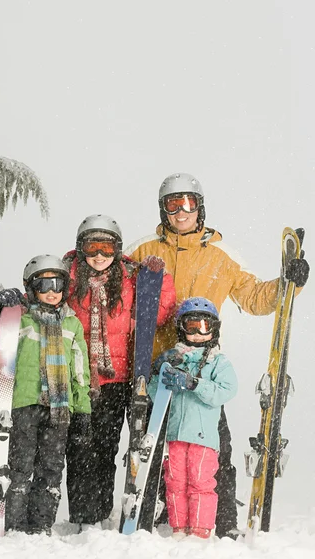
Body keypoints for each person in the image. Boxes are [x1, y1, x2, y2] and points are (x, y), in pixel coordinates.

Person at [125, 172, 310, 539]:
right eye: (173, 204)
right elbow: (114, 291)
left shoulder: (220, 257)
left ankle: (222, 522)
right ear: (162, 209)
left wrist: (289, 282)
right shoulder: (144, 250)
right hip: (157, 373)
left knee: (214, 451)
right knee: (150, 452)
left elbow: (254, 296)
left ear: (201, 208)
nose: (181, 211)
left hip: (203, 373)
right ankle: (153, 518)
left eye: (189, 203)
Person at [63, 214, 176, 530]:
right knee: (84, 448)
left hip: (121, 379)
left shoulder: (129, 277)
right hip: (84, 380)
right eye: (92, 246)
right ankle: (88, 517)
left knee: (118, 447)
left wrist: (159, 278)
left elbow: (159, 311)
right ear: (80, 248)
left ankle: (121, 509)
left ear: (118, 248)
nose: (99, 255)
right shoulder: (69, 278)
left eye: (107, 247)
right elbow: (44, 296)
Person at [0, 254, 91, 535]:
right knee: (20, 467)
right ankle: (14, 523)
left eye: (58, 284)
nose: (52, 291)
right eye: (44, 284)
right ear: (31, 288)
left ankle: (41, 525)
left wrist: (83, 410)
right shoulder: (20, 319)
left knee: (51, 470)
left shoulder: (73, 324)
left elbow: (80, 373)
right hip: (23, 405)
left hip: (59, 408)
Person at [148, 297, 237, 540]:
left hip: (203, 437)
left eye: (204, 326)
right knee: (175, 481)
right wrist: (159, 371)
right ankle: (179, 528)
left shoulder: (218, 361)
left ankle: (199, 530)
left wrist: (194, 383)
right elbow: (155, 395)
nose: (198, 333)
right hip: (176, 435)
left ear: (214, 329)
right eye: (192, 326)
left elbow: (227, 390)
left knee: (201, 483)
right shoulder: (175, 359)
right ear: (181, 328)